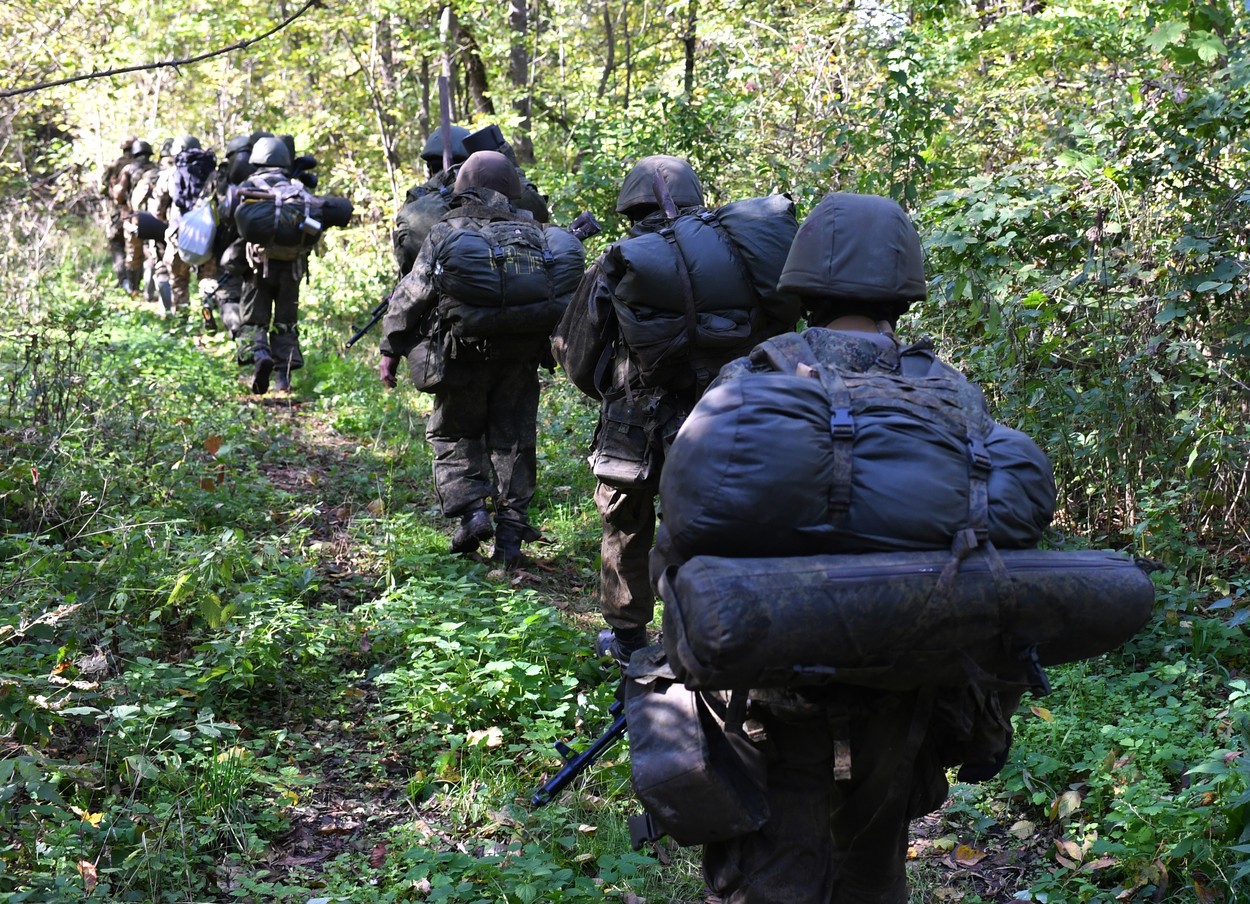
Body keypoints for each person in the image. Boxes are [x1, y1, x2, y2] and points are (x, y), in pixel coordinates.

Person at [654, 192, 1036, 903]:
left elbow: (686, 523)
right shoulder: (949, 390)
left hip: (775, 679)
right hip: (907, 675)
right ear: (904, 290)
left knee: (774, 868)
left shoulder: (754, 376)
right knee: (875, 862)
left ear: (802, 285)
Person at [551, 155, 799, 666]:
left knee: (626, 523)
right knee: (717, 523)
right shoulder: (742, 254)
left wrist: (614, 391)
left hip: (635, 422)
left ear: (630, 207)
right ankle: (709, 636)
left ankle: (628, 640)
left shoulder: (619, 261)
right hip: (729, 415)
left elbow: (576, 357)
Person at [378, 150, 579, 566]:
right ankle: (510, 538)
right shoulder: (537, 232)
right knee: (516, 441)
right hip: (521, 357)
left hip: (461, 356)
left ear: (463, 187)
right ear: (512, 189)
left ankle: (472, 512)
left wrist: (389, 349)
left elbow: (412, 293)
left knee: (454, 433)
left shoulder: (446, 230)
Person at [236, 135, 311, 394]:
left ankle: (260, 355)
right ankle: (283, 378)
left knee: (254, 319)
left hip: (258, 265)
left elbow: (234, 221)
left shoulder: (249, 185)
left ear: (256, 159)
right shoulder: (297, 188)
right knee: (285, 321)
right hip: (292, 267)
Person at [160, 135, 219, 322]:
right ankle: (207, 307)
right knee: (207, 277)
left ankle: (182, 322)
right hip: (208, 233)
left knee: (179, 280)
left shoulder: (171, 174)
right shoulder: (213, 172)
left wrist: (166, 219)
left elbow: (158, 208)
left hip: (179, 234)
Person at [130, 138, 174, 313]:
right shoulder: (188, 170)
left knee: (159, 264)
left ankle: (167, 310)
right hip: (185, 227)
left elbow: (136, 201)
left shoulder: (152, 174)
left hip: (158, 224)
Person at [112, 139, 156, 295]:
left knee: (133, 255)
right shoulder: (156, 168)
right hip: (153, 217)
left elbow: (118, 195)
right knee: (151, 252)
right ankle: (149, 291)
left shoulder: (129, 169)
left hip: (133, 218)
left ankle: (134, 288)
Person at [100, 136, 137, 289]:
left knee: (117, 245)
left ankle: (123, 281)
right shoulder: (141, 165)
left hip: (118, 212)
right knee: (138, 248)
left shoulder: (114, 165)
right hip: (137, 214)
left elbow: (102, 189)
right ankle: (135, 283)